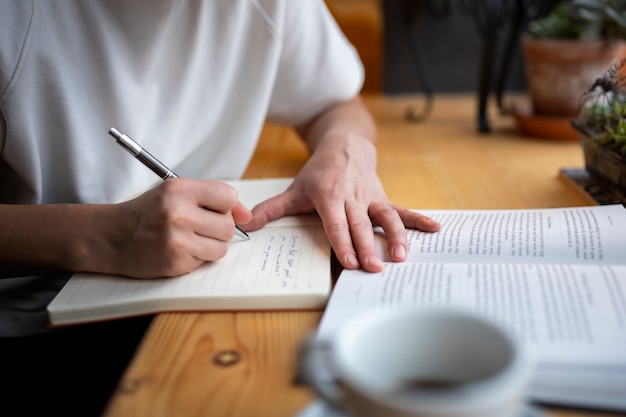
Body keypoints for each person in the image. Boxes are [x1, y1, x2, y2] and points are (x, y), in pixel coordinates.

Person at [0, 1, 441, 416]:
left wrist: (345, 149)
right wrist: (104, 234)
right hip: (39, 329)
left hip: (202, 303)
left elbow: (335, 102)